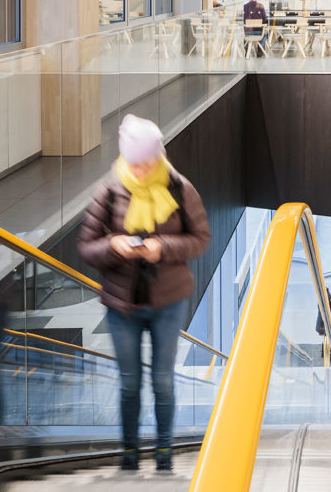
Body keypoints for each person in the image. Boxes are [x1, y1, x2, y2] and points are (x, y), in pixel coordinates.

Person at [78, 114, 211, 472]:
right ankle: (129, 452)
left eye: (147, 163)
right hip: (122, 305)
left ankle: (164, 452)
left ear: (159, 156)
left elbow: (200, 239)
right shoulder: (109, 190)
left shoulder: (179, 188)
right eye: (134, 164)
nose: (139, 171)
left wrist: (162, 248)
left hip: (168, 301)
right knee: (129, 383)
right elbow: (87, 247)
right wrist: (113, 245)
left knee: (163, 381)